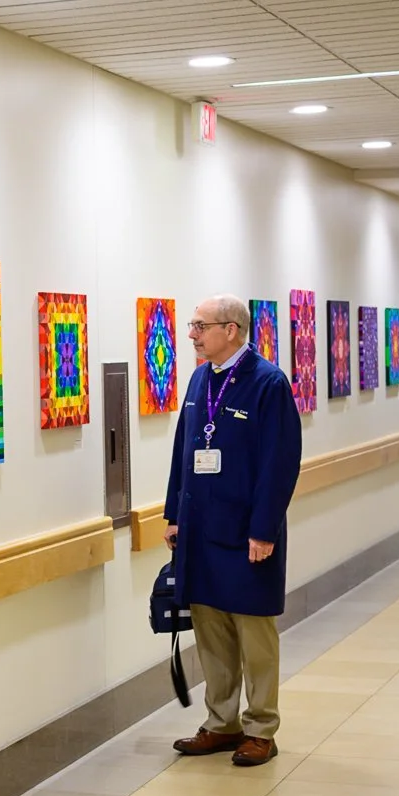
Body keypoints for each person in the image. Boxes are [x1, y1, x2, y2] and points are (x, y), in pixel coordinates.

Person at [163, 295, 302, 767]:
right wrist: (174, 514)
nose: (192, 334)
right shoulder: (201, 378)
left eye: (200, 326)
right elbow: (185, 450)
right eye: (192, 325)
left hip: (246, 535)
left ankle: (261, 727)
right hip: (201, 532)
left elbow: (279, 465)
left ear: (233, 331)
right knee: (211, 630)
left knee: (254, 632)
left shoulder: (268, 383)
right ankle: (221, 722)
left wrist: (264, 531)